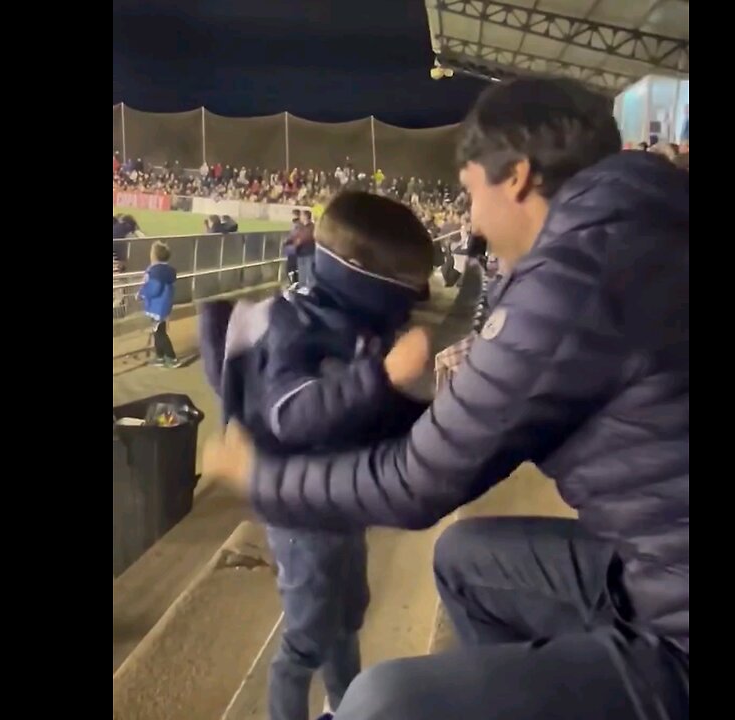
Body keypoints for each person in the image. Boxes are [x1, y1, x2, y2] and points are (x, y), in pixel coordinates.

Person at [203, 77, 689, 720]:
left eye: (469, 194)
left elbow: (415, 483)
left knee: (383, 701)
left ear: (516, 177)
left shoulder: (577, 275)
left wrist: (259, 477)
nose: (473, 223)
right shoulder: (643, 225)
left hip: (674, 622)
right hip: (655, 571)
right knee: (466, 559)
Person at [197, 191, 436, 720]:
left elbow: (372, 414)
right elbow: (293, 414)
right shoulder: (295, 325)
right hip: (298, 511)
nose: (416, 295)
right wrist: (383, 376)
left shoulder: (359, 327)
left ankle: (343, 705)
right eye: (408, 281)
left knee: (348, 616)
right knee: (305, 637)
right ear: (361, 277)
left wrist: (423, 402)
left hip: (339, 502)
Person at [138, 240, 178, 368]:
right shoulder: (167, 270)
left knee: (160, 333)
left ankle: (171, 358)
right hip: (163, 305)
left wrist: (142, 294)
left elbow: (154, 288)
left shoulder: (155, 271)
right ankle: (160, 357)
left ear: (154, 255)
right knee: (158, 332)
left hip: (157, 306)